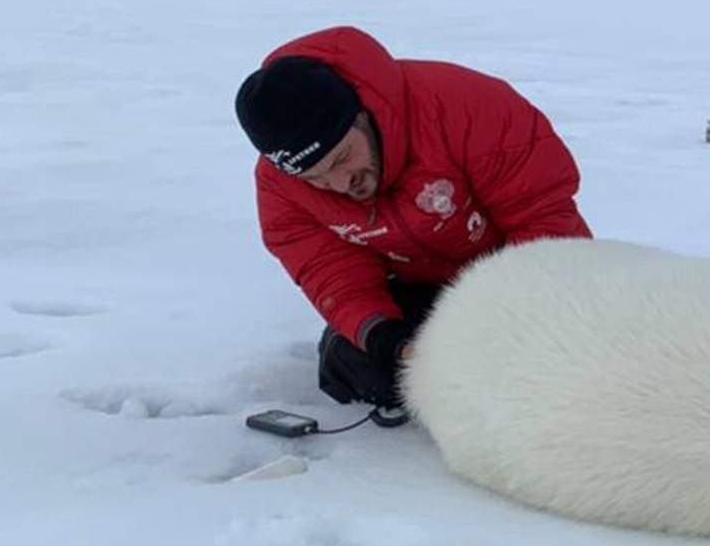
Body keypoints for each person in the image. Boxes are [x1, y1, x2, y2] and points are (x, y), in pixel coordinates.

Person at [235, 26, 591, 420]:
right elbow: (332, 272)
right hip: (421, 292)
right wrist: (393, 341)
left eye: (340, 160)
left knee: (562, 363)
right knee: (354, 365)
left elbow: (543, 225)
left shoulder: (469, 108)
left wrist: (505, 320)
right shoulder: (280, 189)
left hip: (521, 280)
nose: (340, 185)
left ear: (362, 115)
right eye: (316, 179)